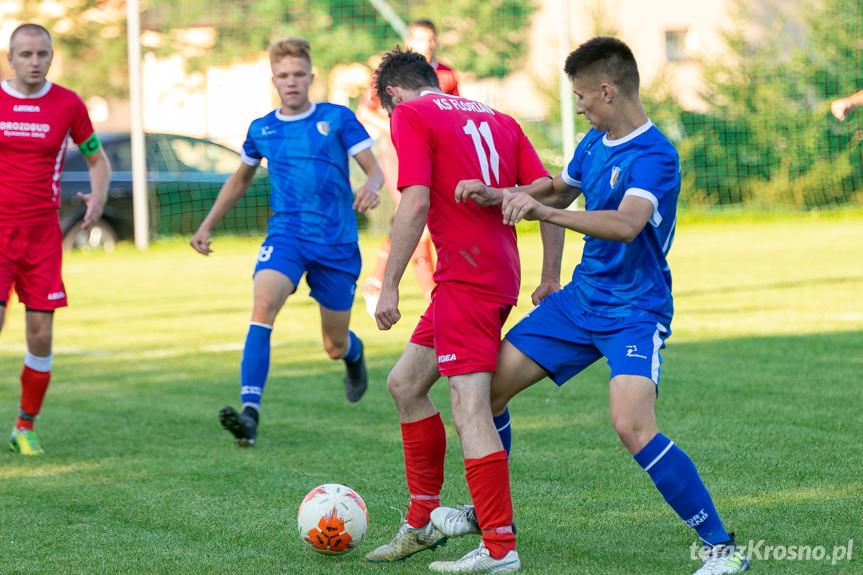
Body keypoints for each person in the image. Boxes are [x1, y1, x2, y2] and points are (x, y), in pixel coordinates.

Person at [432, 37, 750, 575]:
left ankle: (721, 549)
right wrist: (497, 193)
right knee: (483, 394)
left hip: (634, 311)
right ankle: (491, 523)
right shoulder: (594, 142)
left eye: (582, 96)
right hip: (580, 301)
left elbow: (626, 225)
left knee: (631, 424)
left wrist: (544, 213)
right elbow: (557, 192)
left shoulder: (655, 155)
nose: (578, 105)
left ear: (607, 90)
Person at [363, 47, 552, 574]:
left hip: (470, 277)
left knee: (470, 407)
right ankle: (421, 524)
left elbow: (415, 202)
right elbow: (544, 187)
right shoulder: (494, 114)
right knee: (405, 384)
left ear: (394, 95)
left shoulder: (410, 113)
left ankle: (498, 548)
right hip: (485, 273)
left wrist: (389, 285)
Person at [190, 37, 383, 448]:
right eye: (283, 76)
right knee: (262, 306)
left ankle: (353, 354)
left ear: (311, 76)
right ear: (273, 79)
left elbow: (375, 170)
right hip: (287, 235)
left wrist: (371, 185)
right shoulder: (262, 128)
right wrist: (207, 224)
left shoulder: (338, 117)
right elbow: (239, 179)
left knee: (334, 344)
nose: (291, 82)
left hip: (336, 242)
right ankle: (250, 414)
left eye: (298, 75)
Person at [0, 23, 111, 455]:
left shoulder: (67, 104)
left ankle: (24, 426)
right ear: (10, 58)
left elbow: (97, 159)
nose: (34, 62)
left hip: (42, 235)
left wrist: (98, 196)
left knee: (41, 333)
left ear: (51, 57)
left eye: (41, 54)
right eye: (25, 55)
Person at [357, 19, 460, 316]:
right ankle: (433, 295)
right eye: (419, 39)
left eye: (430, 39)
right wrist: (399, 128)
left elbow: (452, 113)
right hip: (398, 153)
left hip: (435, 155)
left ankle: (376, 281)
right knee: (419, 219)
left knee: (421, 220)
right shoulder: (389, 74)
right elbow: (364, 111)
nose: (425, 45)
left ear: (436, 42)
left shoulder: (447, 75)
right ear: (409, 40)